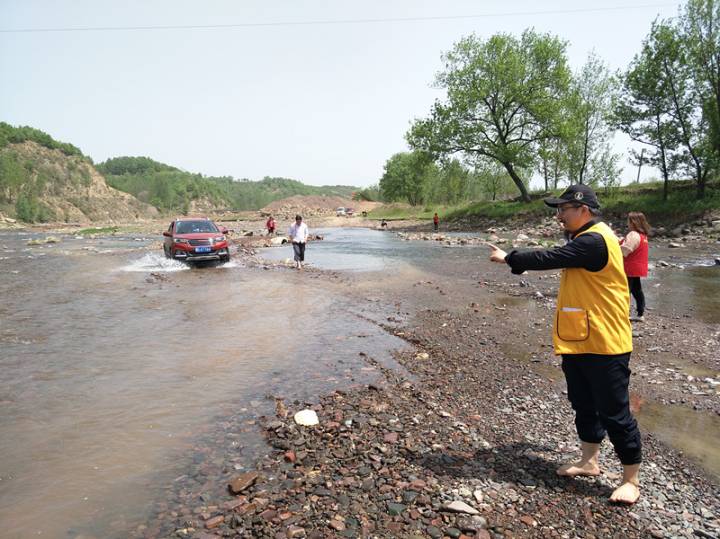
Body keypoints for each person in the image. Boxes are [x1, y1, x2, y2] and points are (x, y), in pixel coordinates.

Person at [487, 184, 641, 505]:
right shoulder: (585, 237)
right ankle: (589, 461)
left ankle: (631, 479)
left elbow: (551, 257)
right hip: (580, 339)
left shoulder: (595, 240)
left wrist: (510, 257)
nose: (558, 216)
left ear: (583, 210)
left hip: (606, 343)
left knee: (614, 412)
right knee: (583, 404)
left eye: (563, 210)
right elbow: (560, 254)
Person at [620, 212, 650, 322]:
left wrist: (614, 247)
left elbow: (625, 250)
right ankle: (640, 314)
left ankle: (622, 314)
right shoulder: (643, 235)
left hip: (629, 267)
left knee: (624, 291)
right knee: (637, 291)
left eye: (628, 220)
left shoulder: (633, 234)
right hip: (638, 268)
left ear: (633, 222)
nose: (627, 223)